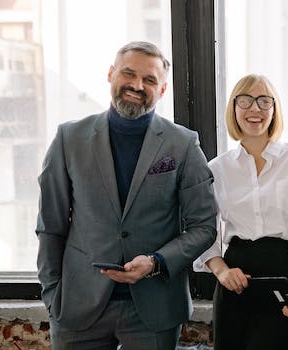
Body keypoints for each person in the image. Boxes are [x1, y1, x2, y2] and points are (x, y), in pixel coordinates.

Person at [35, 41, 217, 349]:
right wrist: (53, 295)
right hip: (78, 307)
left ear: (162, 90)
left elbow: (204, 227)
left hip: (155, 308)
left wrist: (156, 262)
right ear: (110, 74)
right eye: (129, 74)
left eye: (149, 80)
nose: (136, 85)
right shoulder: (69, 139)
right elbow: (50, 226)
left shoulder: (183, 144)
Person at [192, 74, 288, 349]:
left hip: (285, 274)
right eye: (246, 101)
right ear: (234, 108)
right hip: (234, 278)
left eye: (264, 101)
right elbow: (202, 230)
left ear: (274, 110)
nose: (255, 109)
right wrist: (221, 272)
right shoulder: (217, 168)